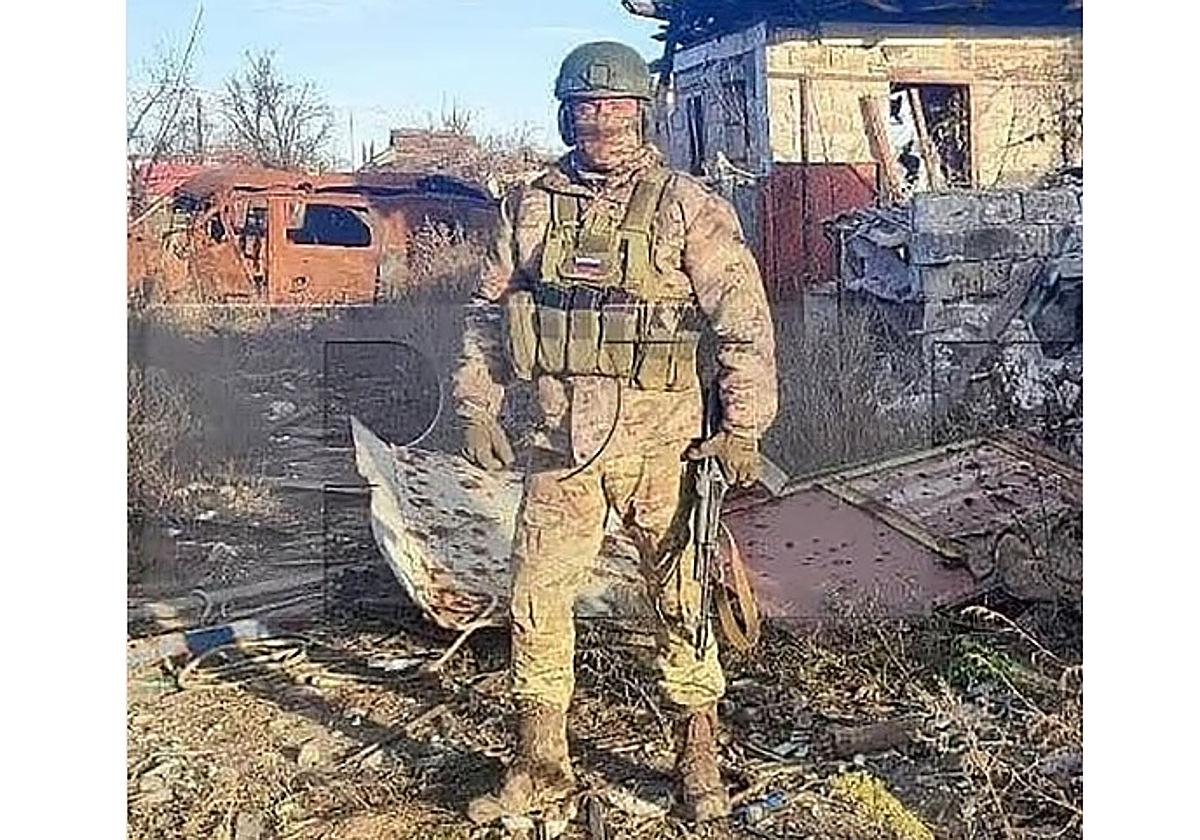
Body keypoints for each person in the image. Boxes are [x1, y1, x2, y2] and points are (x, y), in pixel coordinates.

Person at [453, 40, 778, 826]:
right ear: (564, 113)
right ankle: (540, 764)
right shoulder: (530, 205)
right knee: (536, 597)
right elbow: (487, 312)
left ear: (641, 111)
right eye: (584, 106)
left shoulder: (687, 206)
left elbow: (743, 322)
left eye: (614, 105)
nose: (598, 120)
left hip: (665, 444)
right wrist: (476, 405)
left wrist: (742, 429)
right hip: (560, 447)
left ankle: (698, 759)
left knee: (681, 597)